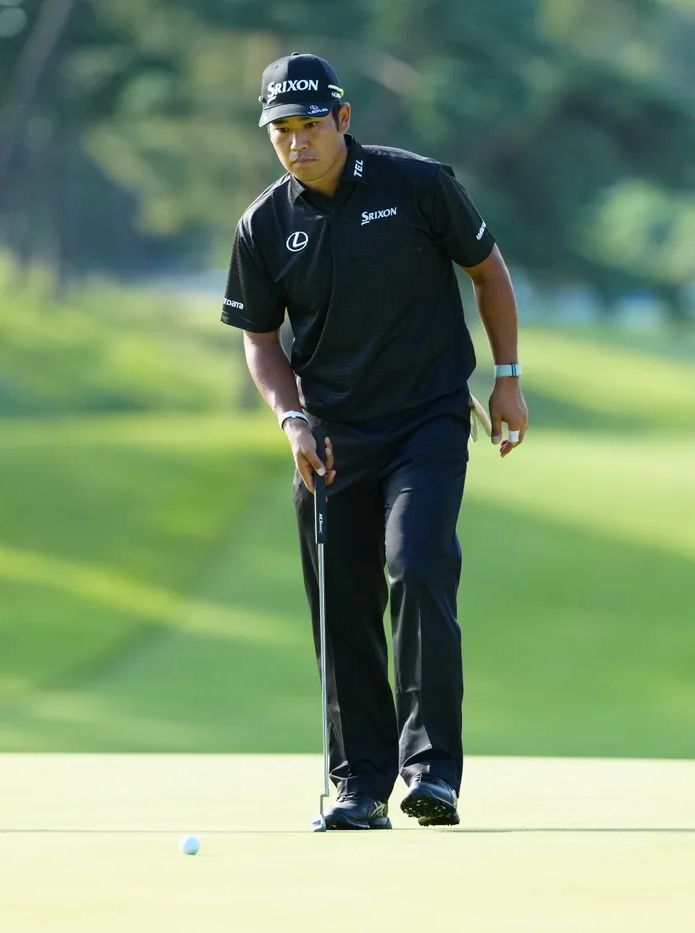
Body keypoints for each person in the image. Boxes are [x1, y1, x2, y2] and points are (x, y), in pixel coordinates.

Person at [220, 52, 528, 829]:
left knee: (417, 566)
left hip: (427, 417)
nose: (297, 142)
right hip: (329, 436)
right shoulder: (264, 224)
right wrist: (291, 418)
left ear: (343, 119)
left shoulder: (416, 184)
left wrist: (508, 376)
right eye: (281, 131)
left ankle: (432, 773)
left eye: (310, 125)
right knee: (342, 604)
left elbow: (488, 272)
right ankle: (358, 785)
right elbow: (260, 338)